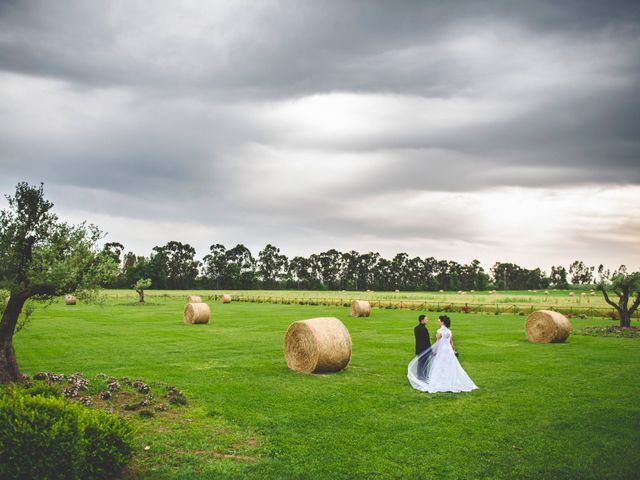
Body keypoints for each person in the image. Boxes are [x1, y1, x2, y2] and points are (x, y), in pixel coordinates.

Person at [407, 315, 478, 393]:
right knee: (450, 365)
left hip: (442, 350)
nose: (438, 322)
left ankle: (438, 381)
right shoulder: (449, 331)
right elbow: (451, 342)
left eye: (439, 321)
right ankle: (450, 380)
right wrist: (452, 350)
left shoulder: (439, 331)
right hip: (448, 351)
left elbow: (437, 342)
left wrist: (434, 351)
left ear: (442, 322)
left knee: (439, 365)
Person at [414, 315, 431, 380]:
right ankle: (423, 376)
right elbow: (427, 340)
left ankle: (419, 375)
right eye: (426, 319)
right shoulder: (424, 329)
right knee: (424, 363)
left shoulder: (416, 328)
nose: (427, 320)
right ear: (422, 320)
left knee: (420, 363)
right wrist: (430, 349)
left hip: (418, 348)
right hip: (424, 349)